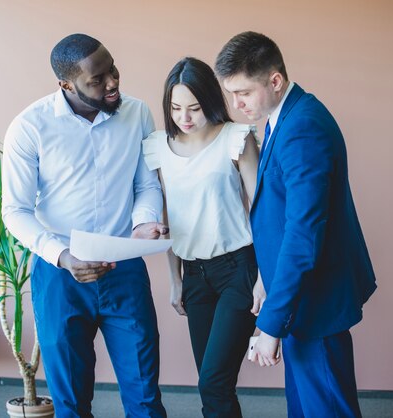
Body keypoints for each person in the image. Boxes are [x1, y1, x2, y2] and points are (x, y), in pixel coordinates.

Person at [2, 33, 168, 418]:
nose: (112, 83)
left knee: (145, 396)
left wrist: (143, 223)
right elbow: (15, 210)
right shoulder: (29, 127)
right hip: (60, 276)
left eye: (113, 70)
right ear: (66, 84)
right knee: (72, 404)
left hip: (124, 270)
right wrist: (62, 256)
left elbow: (145, 185)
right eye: (97, 79)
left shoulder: (137, 113)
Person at [215, 32, 377, 418]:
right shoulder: (281, 116)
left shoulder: (303, 127)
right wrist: (266, 280)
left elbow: (303, 234)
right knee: (305, 408)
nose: (236, 105)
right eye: (230, 94)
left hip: (314, 301)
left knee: (326, 410)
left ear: (275, 80)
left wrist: (271, 327)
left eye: (244, 93)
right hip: (301, 299)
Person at [142, 57, 264, 418]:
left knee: (212, 382)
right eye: (176, 108)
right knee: (214, 384)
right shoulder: (160, 146)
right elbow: (168, 214)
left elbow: (262, 212)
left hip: (237, 270)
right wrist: (174, 279)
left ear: (210, 100)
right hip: (194, 275)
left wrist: (264, 278)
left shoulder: (236, 138)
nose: (185, 117)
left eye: (194, 107)